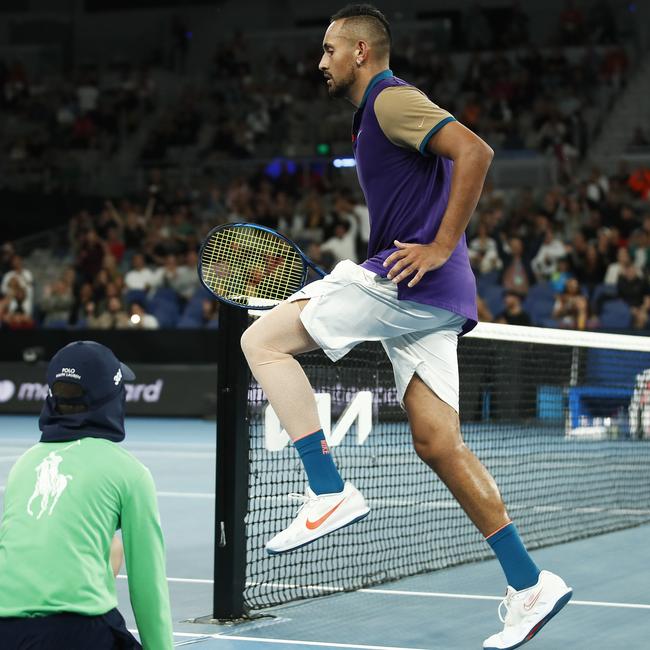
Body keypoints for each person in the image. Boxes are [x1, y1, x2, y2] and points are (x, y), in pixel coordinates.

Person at [239, 5, 571, 649]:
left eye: (330, 49)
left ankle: (328, 489)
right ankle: (530, 583)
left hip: (407, 280)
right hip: (431, 298)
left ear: (362, 51)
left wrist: (441, 246)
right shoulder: (374, 119)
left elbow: (475, 151)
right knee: (437, 443)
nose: (321, 61)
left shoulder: (392, 101)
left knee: (262, 342)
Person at [0, 341, 173, 649]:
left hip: (5, 627)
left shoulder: (23, 465)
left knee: (112, 546)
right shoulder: (130, 472)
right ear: (114, 397)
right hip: (76, 630)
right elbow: (148, 587)